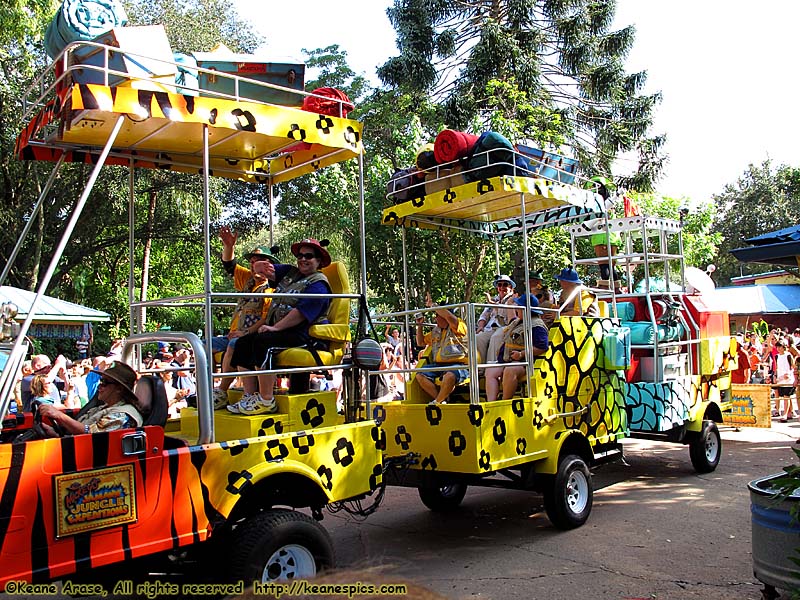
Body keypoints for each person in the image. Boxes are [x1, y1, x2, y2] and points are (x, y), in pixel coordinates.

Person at [227, 238, 333, 415]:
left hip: (304, 335)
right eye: (300, 255)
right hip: (283, 331)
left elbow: (300, 313)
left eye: (309, 256)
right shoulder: (290, 273)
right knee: (243, 342)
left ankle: (266, 400)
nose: (303, 259)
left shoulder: (319, 285)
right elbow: (265, 269)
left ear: (319, 261)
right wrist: (260, 266)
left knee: (263, 343)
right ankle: (249, 396)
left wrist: (275, 328)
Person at [214, 227, 277, 408]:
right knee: (202, 346)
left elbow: (267, 318)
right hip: (233, 333)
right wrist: (228, 246)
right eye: (251, 262)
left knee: (236, 345)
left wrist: (244, 333)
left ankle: (222, 391)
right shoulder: (247, 280)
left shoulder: (271, 288)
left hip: (249, 335)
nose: (253, 266)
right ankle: (204, 389)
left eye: (258, 262)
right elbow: (229, 265)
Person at [37, 361, 143, 436]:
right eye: (100, 381)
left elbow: (91, 435)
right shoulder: (102, 408)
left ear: (119, 389)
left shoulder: (122, 414)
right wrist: (55, 434)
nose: (99, 386)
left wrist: (59, 415)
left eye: (104, 383)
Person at [484, 295, 549, 402]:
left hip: (525, 363)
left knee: (510, 370)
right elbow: (511, 318)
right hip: (508, 360)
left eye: (518, 306)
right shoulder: (518, 321)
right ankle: (491, 403)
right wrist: (509, 304)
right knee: (490, 371)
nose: (516, 308)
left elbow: (542, 347)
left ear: (525, 309)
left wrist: (521, 354)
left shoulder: (537, 326)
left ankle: (505, 402)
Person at [414, 292, 469, 405]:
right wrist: (419, 325)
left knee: (450, 375)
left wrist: (432, 305)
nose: (435, 318)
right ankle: (441, 400)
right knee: (419, 375)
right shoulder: (436, 331)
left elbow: (449, 317)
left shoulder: (459, 326)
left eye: (438, 315)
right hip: (439, 366)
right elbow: (420, 342)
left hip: (458, 365)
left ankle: (438, 402)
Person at [475, 274, 516, 363]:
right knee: (477, 338)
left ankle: (491, 367)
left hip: (505, 327)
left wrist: (491, 303)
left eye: (505, 285)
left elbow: (506, 313)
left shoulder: (513, 299)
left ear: (511, 287)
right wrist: (481, 326)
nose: (502, 287)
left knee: (496, 337)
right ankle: (479, 369)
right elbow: (484, 315)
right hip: (491, 328)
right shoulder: (495, 299)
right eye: (499, 285)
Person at [774, 339, 797, 422]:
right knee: (785, 396)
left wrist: (789, 374)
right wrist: (775, 376)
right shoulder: (776, 356)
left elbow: (793, 367)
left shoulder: (788, 355)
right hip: (780, 379)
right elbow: (776, 368)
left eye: (780, 347)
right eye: (777, 347)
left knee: (786, 397)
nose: (779, 348)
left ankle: (785, 414)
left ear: (784, 347)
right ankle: (789, 413)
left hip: (788, 379)